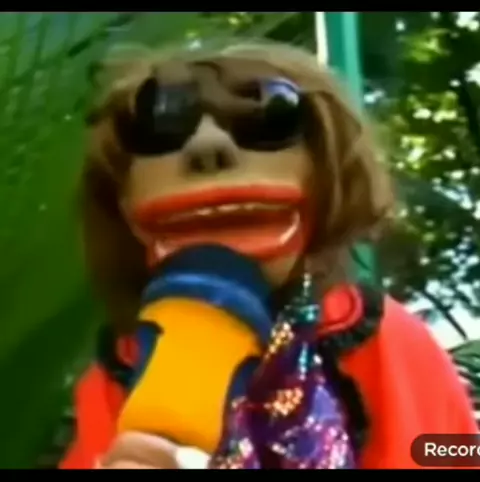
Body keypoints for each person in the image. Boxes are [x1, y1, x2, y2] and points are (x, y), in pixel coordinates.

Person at [59, 42, 477, 469]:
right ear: (123, 207)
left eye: (271, 119)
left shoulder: (392, 343)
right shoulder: (114, 379)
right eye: (159, 131)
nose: (208, 146)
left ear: (328, 178)